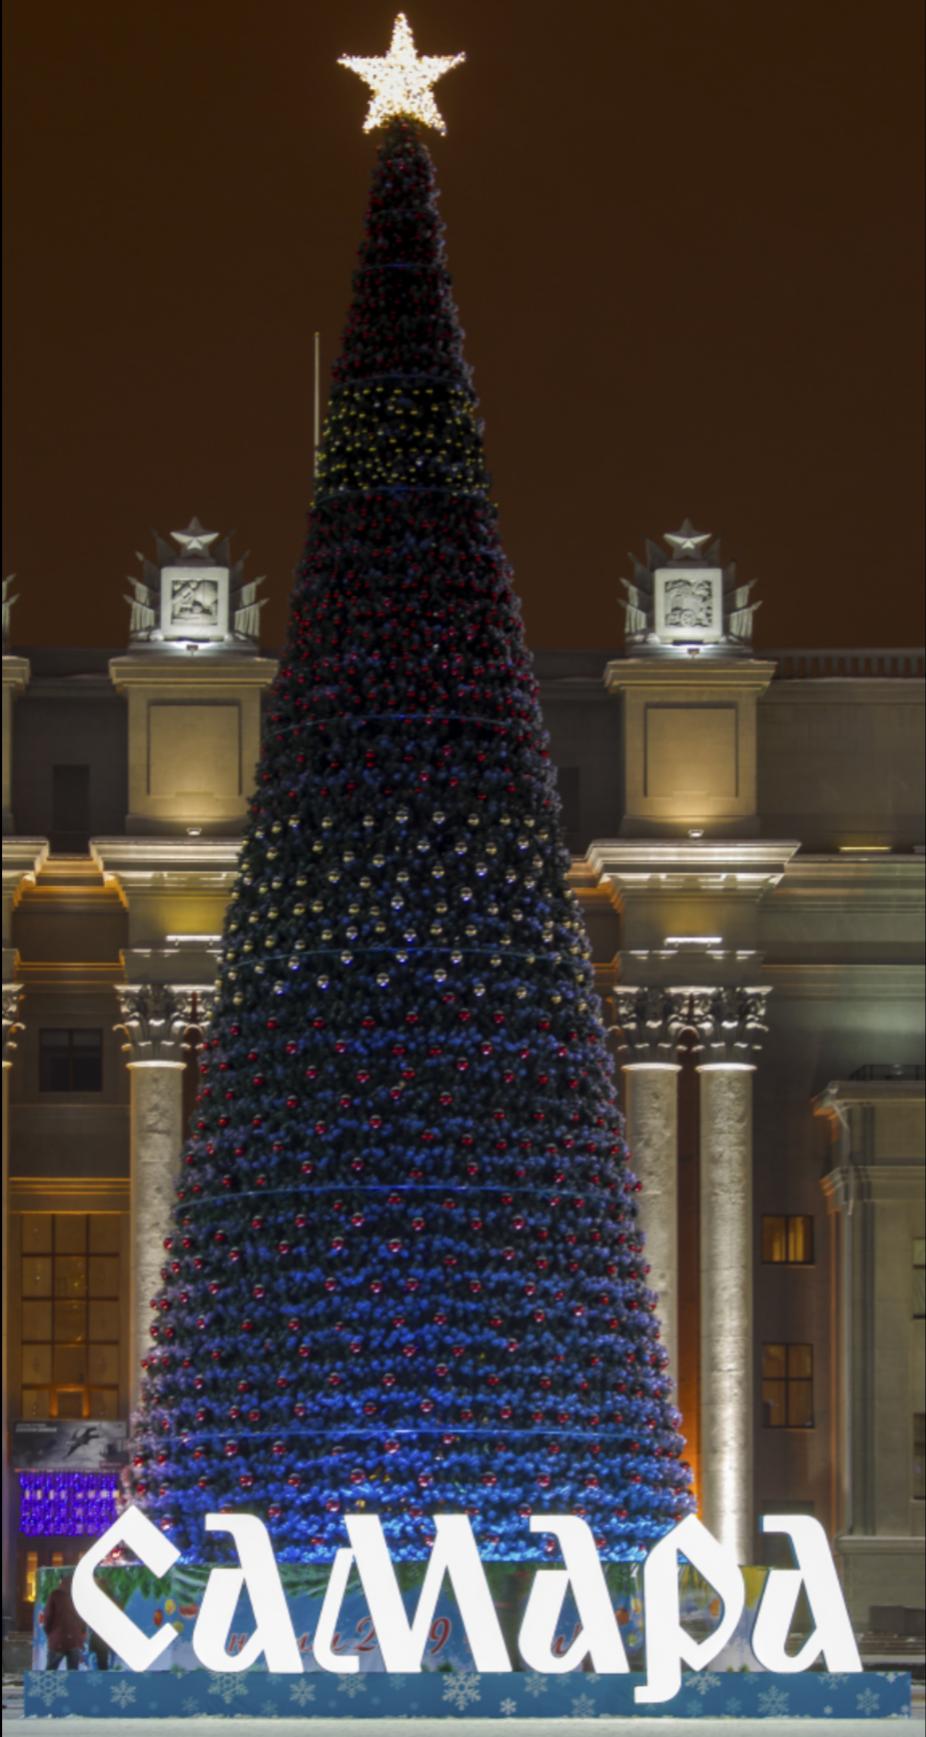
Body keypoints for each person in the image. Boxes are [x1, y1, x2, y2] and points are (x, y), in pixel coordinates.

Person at [42, 1575, 86, 1670]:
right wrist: (81, 1636)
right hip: (75, 1640)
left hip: (58, 1639)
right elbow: (84, 1620)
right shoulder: (80, 1597)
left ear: (61, 1581)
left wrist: (50, 1633)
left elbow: (47, 1617)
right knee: (73, 1672)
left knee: (51, 1671)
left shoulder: (55, 1595)